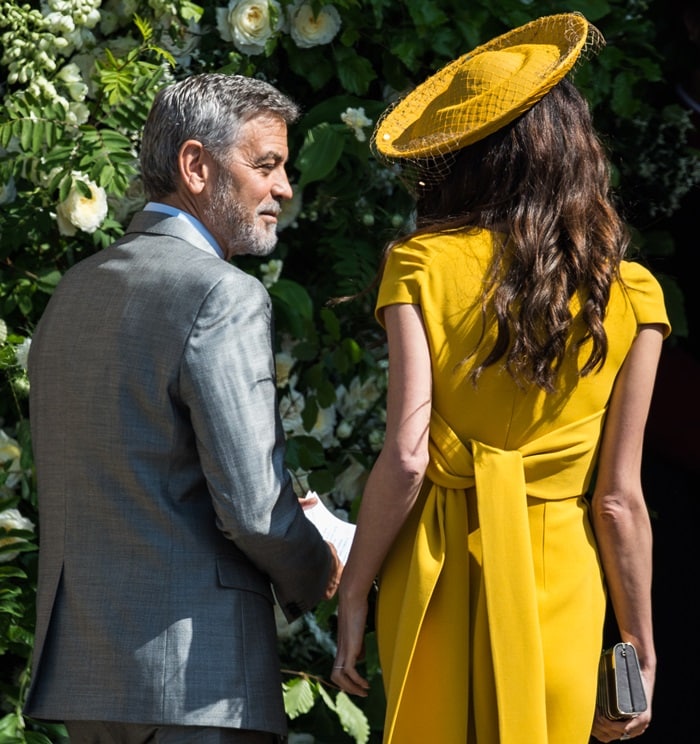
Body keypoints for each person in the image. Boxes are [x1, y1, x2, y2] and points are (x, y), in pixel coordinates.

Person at [330, 13, 669, 744]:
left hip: (438, 578)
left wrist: (354, 591)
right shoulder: (635, 293)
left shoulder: (419, 266)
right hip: (562, 590)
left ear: (465, 158)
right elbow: (618, 500)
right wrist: (638, 643)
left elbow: (409, 456)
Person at [24, 73, 342, 744]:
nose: (284, 188)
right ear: (196, 166)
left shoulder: (72, 293)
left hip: (90, 681)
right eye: (266, 165)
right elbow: (256, 510)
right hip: (198, 680)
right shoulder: (221, 295)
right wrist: (323, 564)